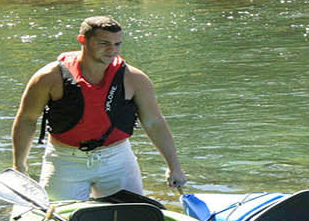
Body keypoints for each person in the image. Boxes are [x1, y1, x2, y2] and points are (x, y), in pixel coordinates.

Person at [11, 16, 187, 200]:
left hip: (118, 159)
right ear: (83, 40)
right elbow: (26, 120)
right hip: (65, 160)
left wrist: (174, 167)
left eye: (117, 44)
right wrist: (19, 166)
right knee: (60, 220)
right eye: (104, 43)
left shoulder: (134, 78)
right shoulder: (49, 77)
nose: (112, 50)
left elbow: (154, 123)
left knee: (131, 216)